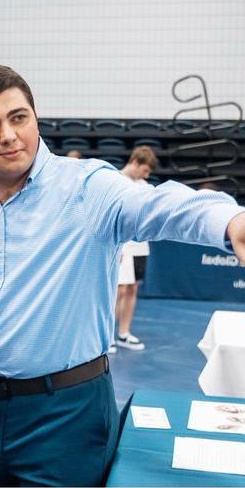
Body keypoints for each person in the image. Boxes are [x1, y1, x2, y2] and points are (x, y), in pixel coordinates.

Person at [0, 64, 245, 487]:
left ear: (35, 119)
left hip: (65, 415)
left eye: (18, 117)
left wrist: (231, 221)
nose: (8, 134)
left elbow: (162, 207)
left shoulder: (88, 188)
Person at [112, 146, 158, 353]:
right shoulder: (115, 181)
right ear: (136, 162)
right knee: (118, 290)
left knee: (132, 289)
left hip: (141, 246)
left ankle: (124, 333)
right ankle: (107, 337)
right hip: (123, 245)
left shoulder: (145, 187)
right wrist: (117, 247)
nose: (146, 175)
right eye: (145, 170)